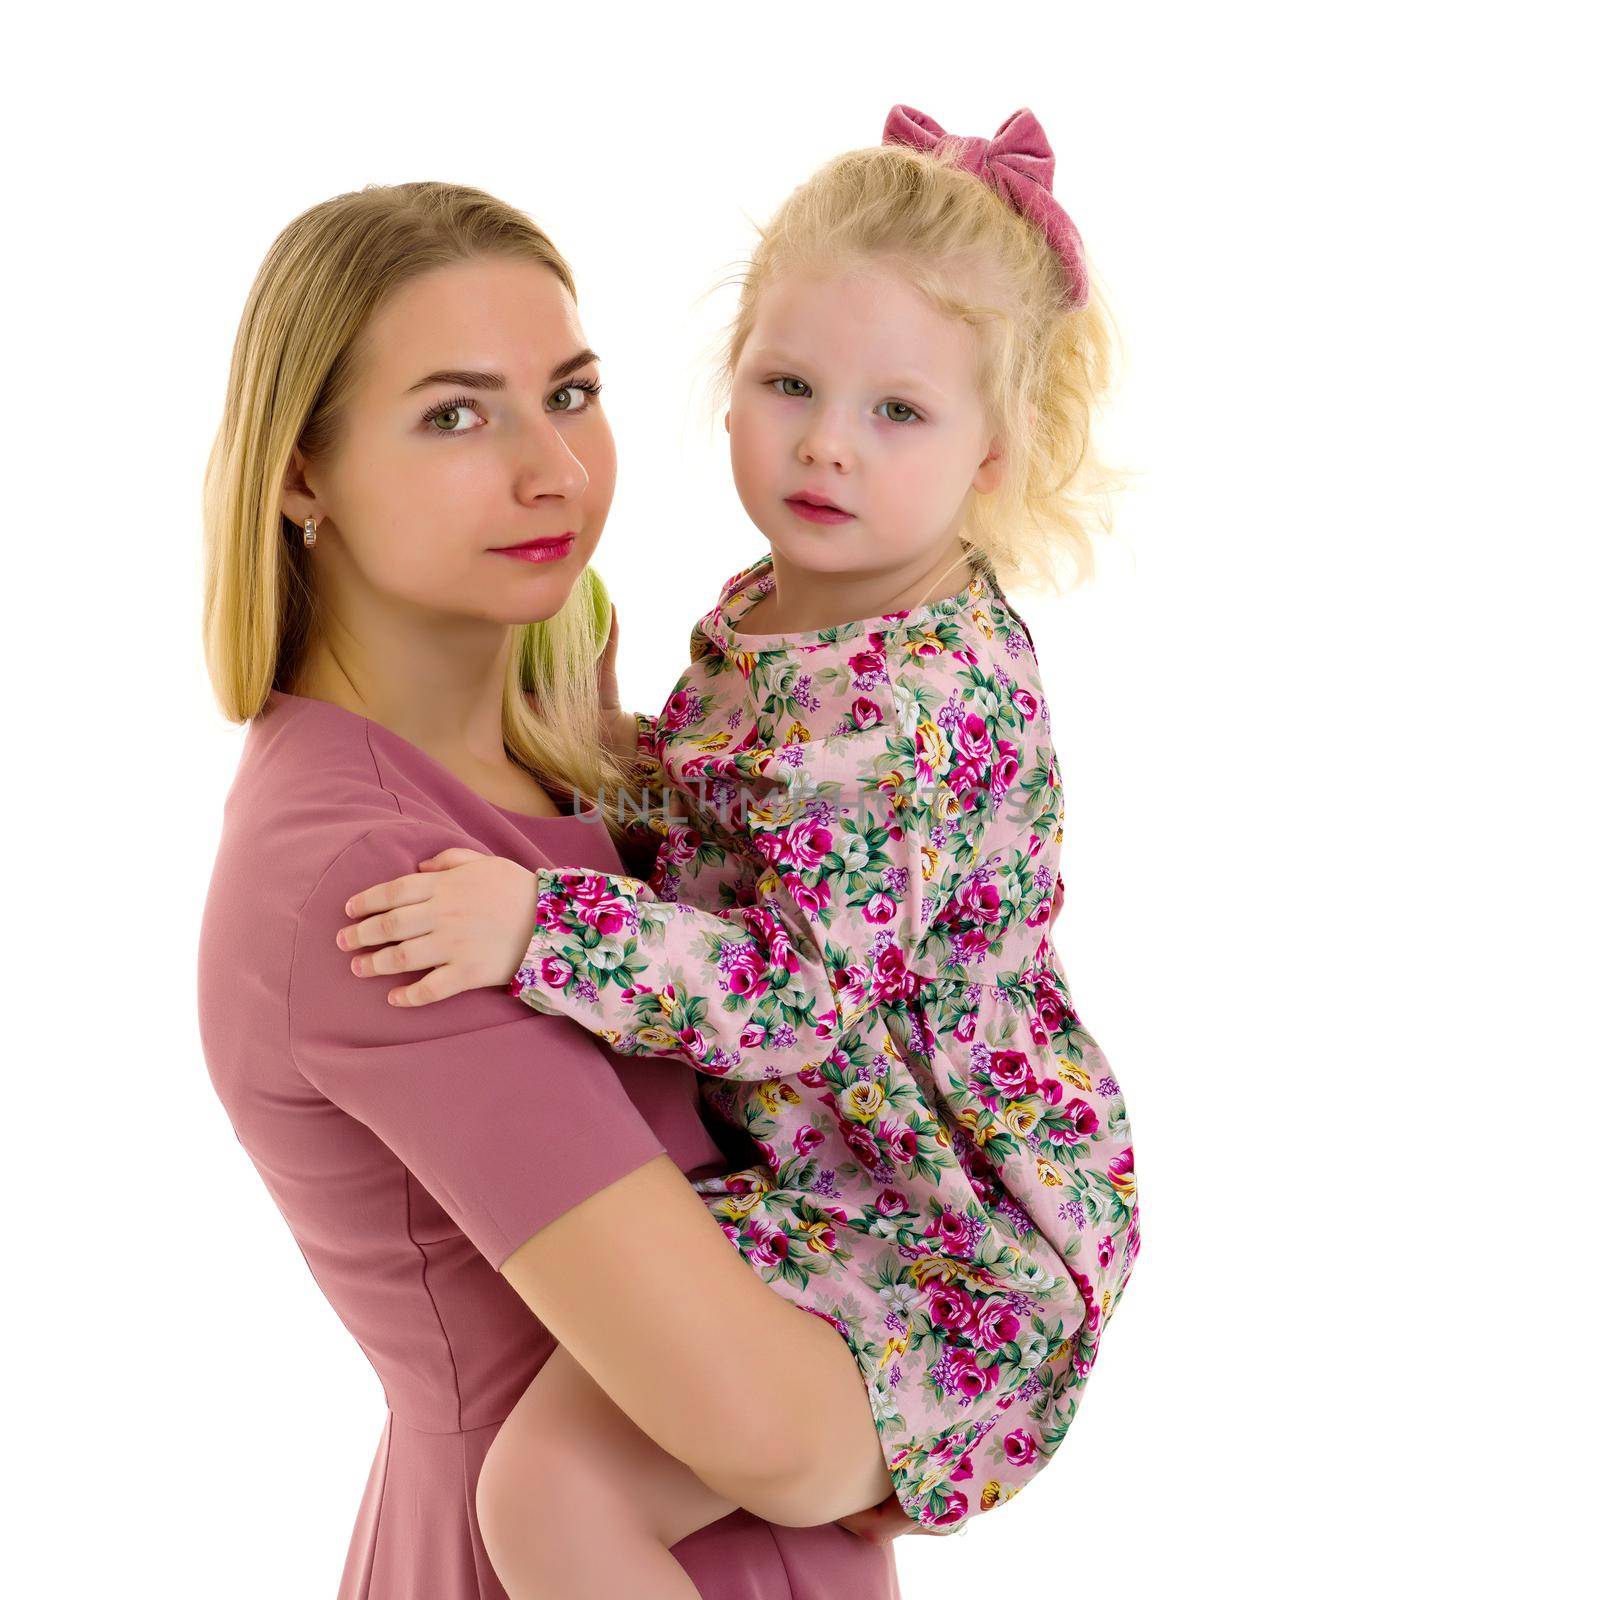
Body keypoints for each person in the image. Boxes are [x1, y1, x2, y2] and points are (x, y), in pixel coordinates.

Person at [333, 109, 1140, 1596]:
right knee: (552, 1485)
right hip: (812, 1184)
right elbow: (731, 838)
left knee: (555, 1504)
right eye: (790, 384)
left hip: (936, 1242)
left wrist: (539, 926)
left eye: (898, 412)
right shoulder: (790, 601)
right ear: (727, 390)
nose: (827, 440)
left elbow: (794, 992)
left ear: (993, 458)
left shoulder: (907, 704)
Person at [196, 179, 909, 1600]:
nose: (554, 473)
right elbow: (762, 1428)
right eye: (456, 415)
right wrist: (992, 1368)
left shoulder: (588, 749)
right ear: (300, 474)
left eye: (570, 394)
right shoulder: (368, 880)